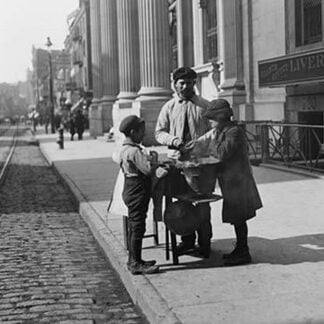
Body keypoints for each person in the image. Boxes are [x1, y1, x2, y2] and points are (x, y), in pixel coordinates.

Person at [186, 99, 263, 266]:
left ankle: (243, 252)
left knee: (239, 217)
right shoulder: (224, 131)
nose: (209, 121)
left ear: (221, 117)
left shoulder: (233, 132)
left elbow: (222, 153)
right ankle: (240, 248)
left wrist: (208, 146)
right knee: (236, 218)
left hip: (239, 182)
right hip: (231, 182)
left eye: (212, 118)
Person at [155, 66, 212, 258]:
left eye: (190, 82)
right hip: (178, 165)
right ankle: (186, 241)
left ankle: (205, 243)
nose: (187, 86)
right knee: (181, 204)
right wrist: (174, 141)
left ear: (195, 84)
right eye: (182, 83)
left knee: (203, 203)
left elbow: (216, 130)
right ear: (175, 84)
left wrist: (201, 141)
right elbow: (159, 132)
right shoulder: (169, 107)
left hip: (201, 165)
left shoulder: (205, 105)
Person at [114, 115, 160, 275]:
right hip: (138, 190)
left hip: (129, 188)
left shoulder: (124, 149)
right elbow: (147, 170)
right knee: (138, 226)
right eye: (141, 132)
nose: (143, 135)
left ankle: (135, 259)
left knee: (134, 225)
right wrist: (154, 160)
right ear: (133, 132)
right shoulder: (134, 151)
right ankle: (135, 263)